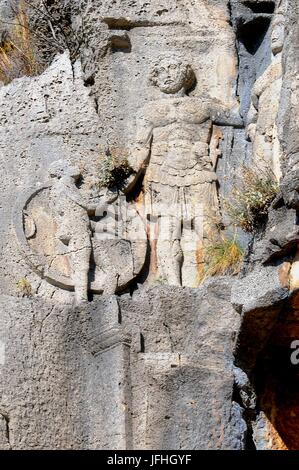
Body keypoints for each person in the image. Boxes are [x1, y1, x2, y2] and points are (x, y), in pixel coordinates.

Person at [126, 55, 243, 287]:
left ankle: (215, 282)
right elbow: (140, 149)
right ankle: (171, 286)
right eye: (161, 71)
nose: (167, 74)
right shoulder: (149, 111)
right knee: (168, 232)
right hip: (161, 176)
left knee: (208, 227)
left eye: (173, 67)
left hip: (199, 172)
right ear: (154, 80)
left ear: (186, 74)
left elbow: (239, 117)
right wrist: (124, 183)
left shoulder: (205, 105)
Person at [48, 160, 91, 304]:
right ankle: (82, 298)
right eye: (69, 166)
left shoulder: (58, 188)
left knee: (81, 262)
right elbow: (86, 205)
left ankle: (82, 296)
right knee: (82, 264)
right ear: (64, 172)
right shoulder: (66, 185)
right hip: (77, 227)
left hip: (72, 227)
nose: (75, 167)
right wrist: (104, 203)